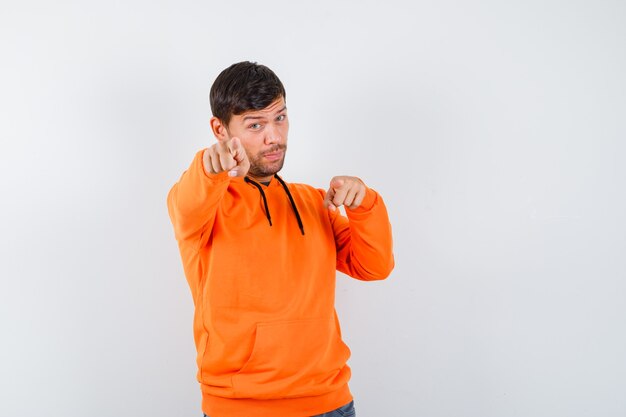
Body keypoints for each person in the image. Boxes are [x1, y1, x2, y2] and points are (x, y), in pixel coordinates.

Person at [166, 61, 394, 417]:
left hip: (329, 402)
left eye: (280, 118)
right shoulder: (206, 203)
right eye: (255, 125)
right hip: (239, 408)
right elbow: (187, 204)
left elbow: (375, 266)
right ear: (220, 129)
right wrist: (211, 167)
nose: (274, 137)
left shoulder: (313, 202)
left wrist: (364, 203)